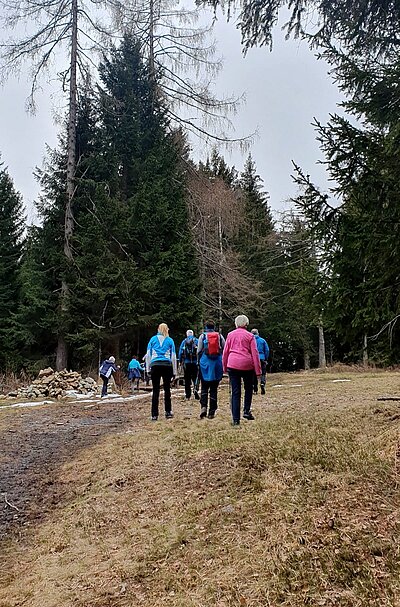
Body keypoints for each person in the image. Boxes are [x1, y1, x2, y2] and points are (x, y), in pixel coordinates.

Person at [222, 315, 261, 425]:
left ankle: (235, 419)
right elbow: (255, 354)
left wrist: (224, 367)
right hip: (247, 365)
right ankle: (246, 410)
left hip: (233, 364)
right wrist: (258, 371)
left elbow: (225, 352)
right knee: (248, 388)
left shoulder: (230, 335)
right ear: (246, 324)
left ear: (236, 324)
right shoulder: (250, 336)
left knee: (235, 392)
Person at [146, 323, 177, 421]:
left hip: (155, 365)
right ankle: (168, 412)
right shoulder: (170, 340)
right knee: (167, 389)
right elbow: (173, 357)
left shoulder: (152, 339)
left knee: (155, 390)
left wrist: (148, 369)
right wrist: (174, 371)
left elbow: (148, 355)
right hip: (166, 365)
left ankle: (154, 414)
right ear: (167, 330)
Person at [197, 320, 225, 419]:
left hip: (205, 364)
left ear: (205, 327)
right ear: (214, 327)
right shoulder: (219, 336)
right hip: (216, 364)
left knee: (204, 387)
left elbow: (199, 350)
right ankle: (212, 411)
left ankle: (203, 406)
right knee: (214, 389)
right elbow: (224, 349)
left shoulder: (202, 336)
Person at [178, 330, 199, 400]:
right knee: (195, 378)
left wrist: (180, 361)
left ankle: (188, 395)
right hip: (195, 363)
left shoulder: (184, 341)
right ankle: (196, 391)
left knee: (187, 379)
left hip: (186, 363)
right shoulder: (197, 341)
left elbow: (180, 352)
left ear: (187, 334)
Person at [251, 328, 270, 395]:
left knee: (253, 374)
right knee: (263, 373)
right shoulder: (262, 340)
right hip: (262, 358)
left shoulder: (250, 341)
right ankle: (262, 383)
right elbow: (267, 350)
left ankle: (255, 389)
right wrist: (265, 358)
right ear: (258, 333)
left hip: (253, 359)